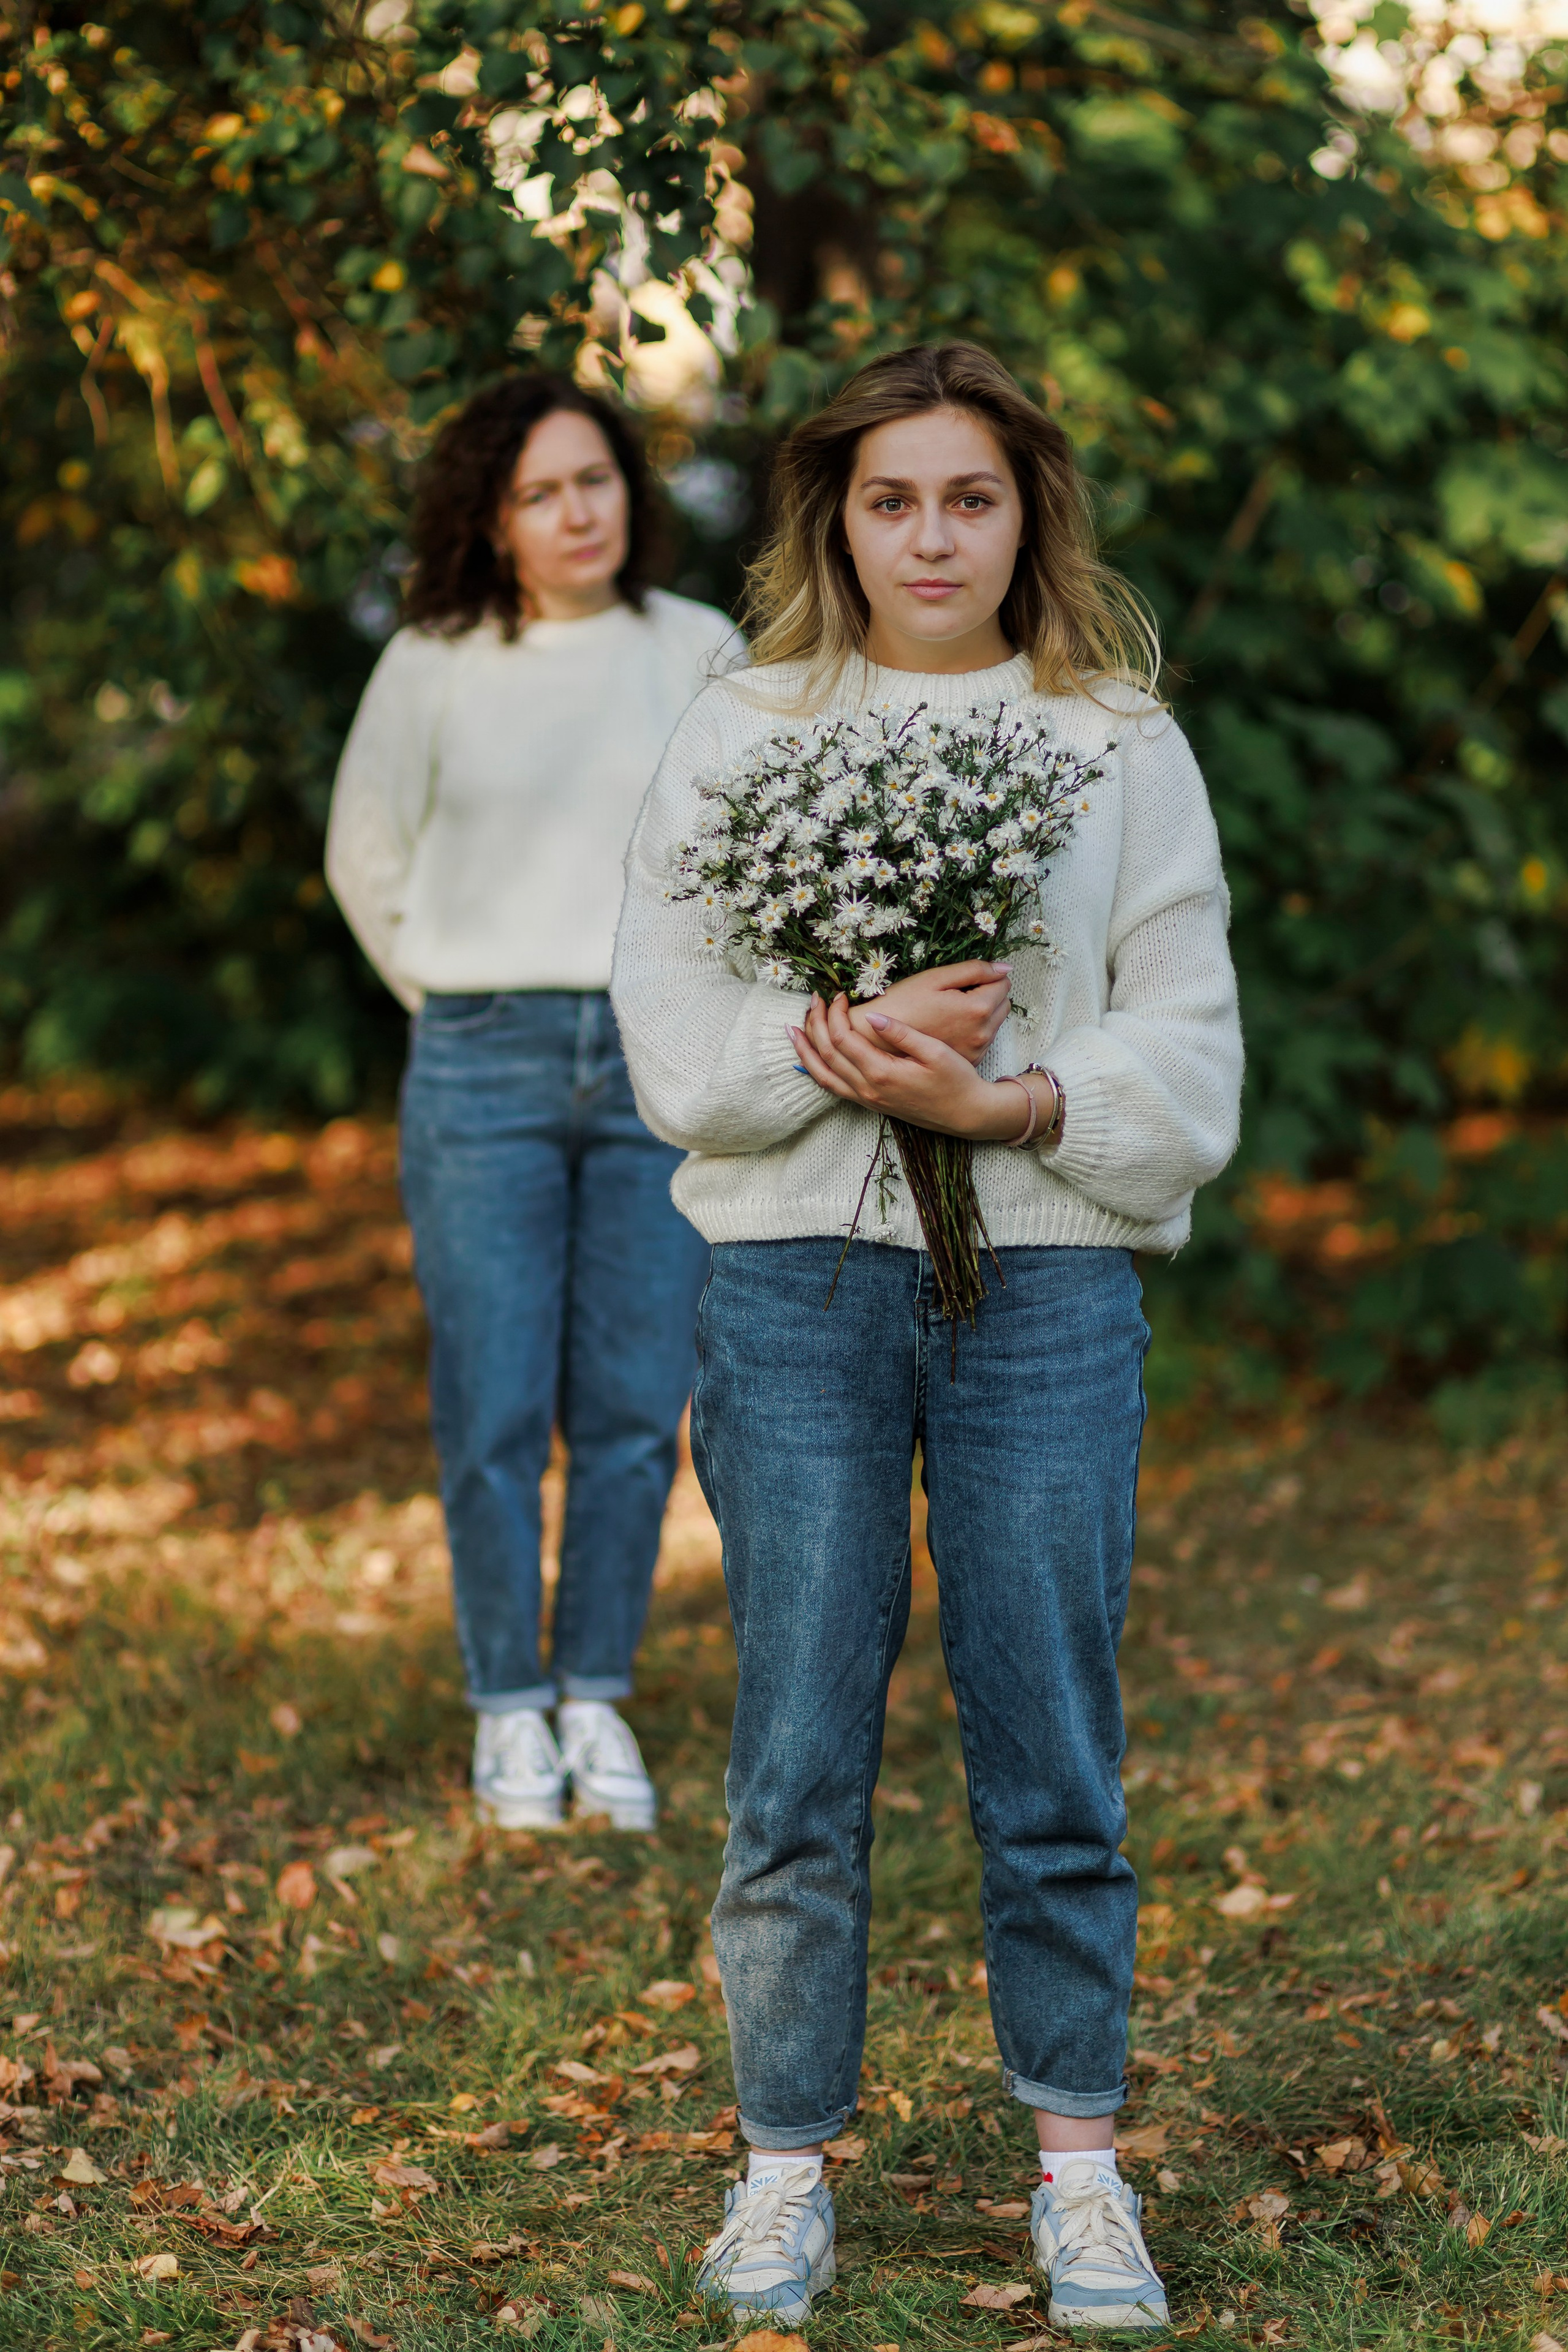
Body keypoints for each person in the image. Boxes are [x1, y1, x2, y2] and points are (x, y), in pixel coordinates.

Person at [611, 343, 1243, 2329]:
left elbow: (1189, 1021)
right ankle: (784, 2169)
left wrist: (1022, 1108)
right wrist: (829, 1053)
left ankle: (1082, 2175)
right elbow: (670, 1015)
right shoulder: (747, 723)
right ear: (840, 517)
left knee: (1051, 1732)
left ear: (1027, 512)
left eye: (970, 496)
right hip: (796, 1280)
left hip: (1047, 1282)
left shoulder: (1116, 736)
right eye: (894, 500)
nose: (933, 535)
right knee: (797, 1737)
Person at [326, 372, 736, 1832]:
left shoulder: (699, 653)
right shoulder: (435, 660)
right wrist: (454, 992)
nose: (578, 513)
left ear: (632, 490)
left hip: (650, 1065)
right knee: (491, 1404)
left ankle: (594, 1697)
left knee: (632, 1406)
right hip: (482, 1061)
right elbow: (365, 860)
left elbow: (744, 864)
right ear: (492, 524)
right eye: (540, 492)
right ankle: (508, 1707)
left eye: (598, 480)